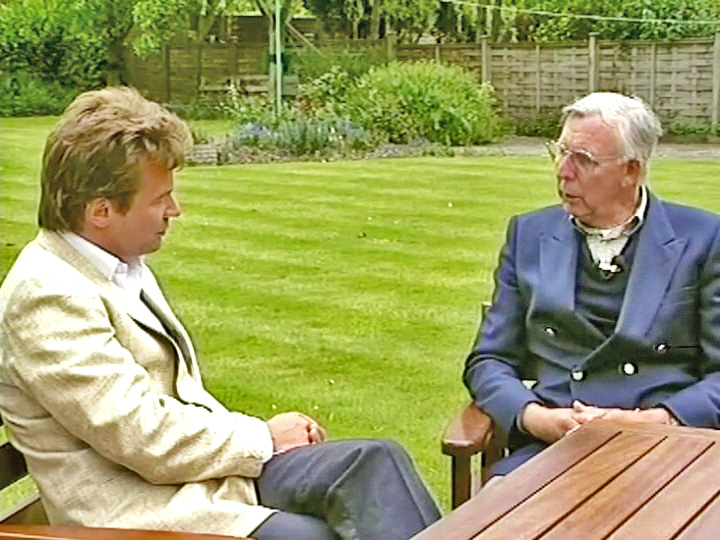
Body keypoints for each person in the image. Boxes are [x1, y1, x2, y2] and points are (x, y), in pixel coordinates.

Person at [0, 86, 440, 540]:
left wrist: (262, 440)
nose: (175, 210)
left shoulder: (116, 264)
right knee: (316, 536)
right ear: (101, 211)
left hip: (196, 481)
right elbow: (141, 435)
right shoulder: (46, 295)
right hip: (138, 515)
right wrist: (265, 438)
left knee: (373, 462)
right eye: (160, 199)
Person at [463, 92, 720, 476]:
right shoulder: (528, 236)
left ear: (631, 170)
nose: (563, 171)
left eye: (583, 159)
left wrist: (656, 420)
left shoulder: (705, 239)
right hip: (552, 449)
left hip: (667, 453)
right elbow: (489, 360)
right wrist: (534, 417)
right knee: (503, 509)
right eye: (560, 153)